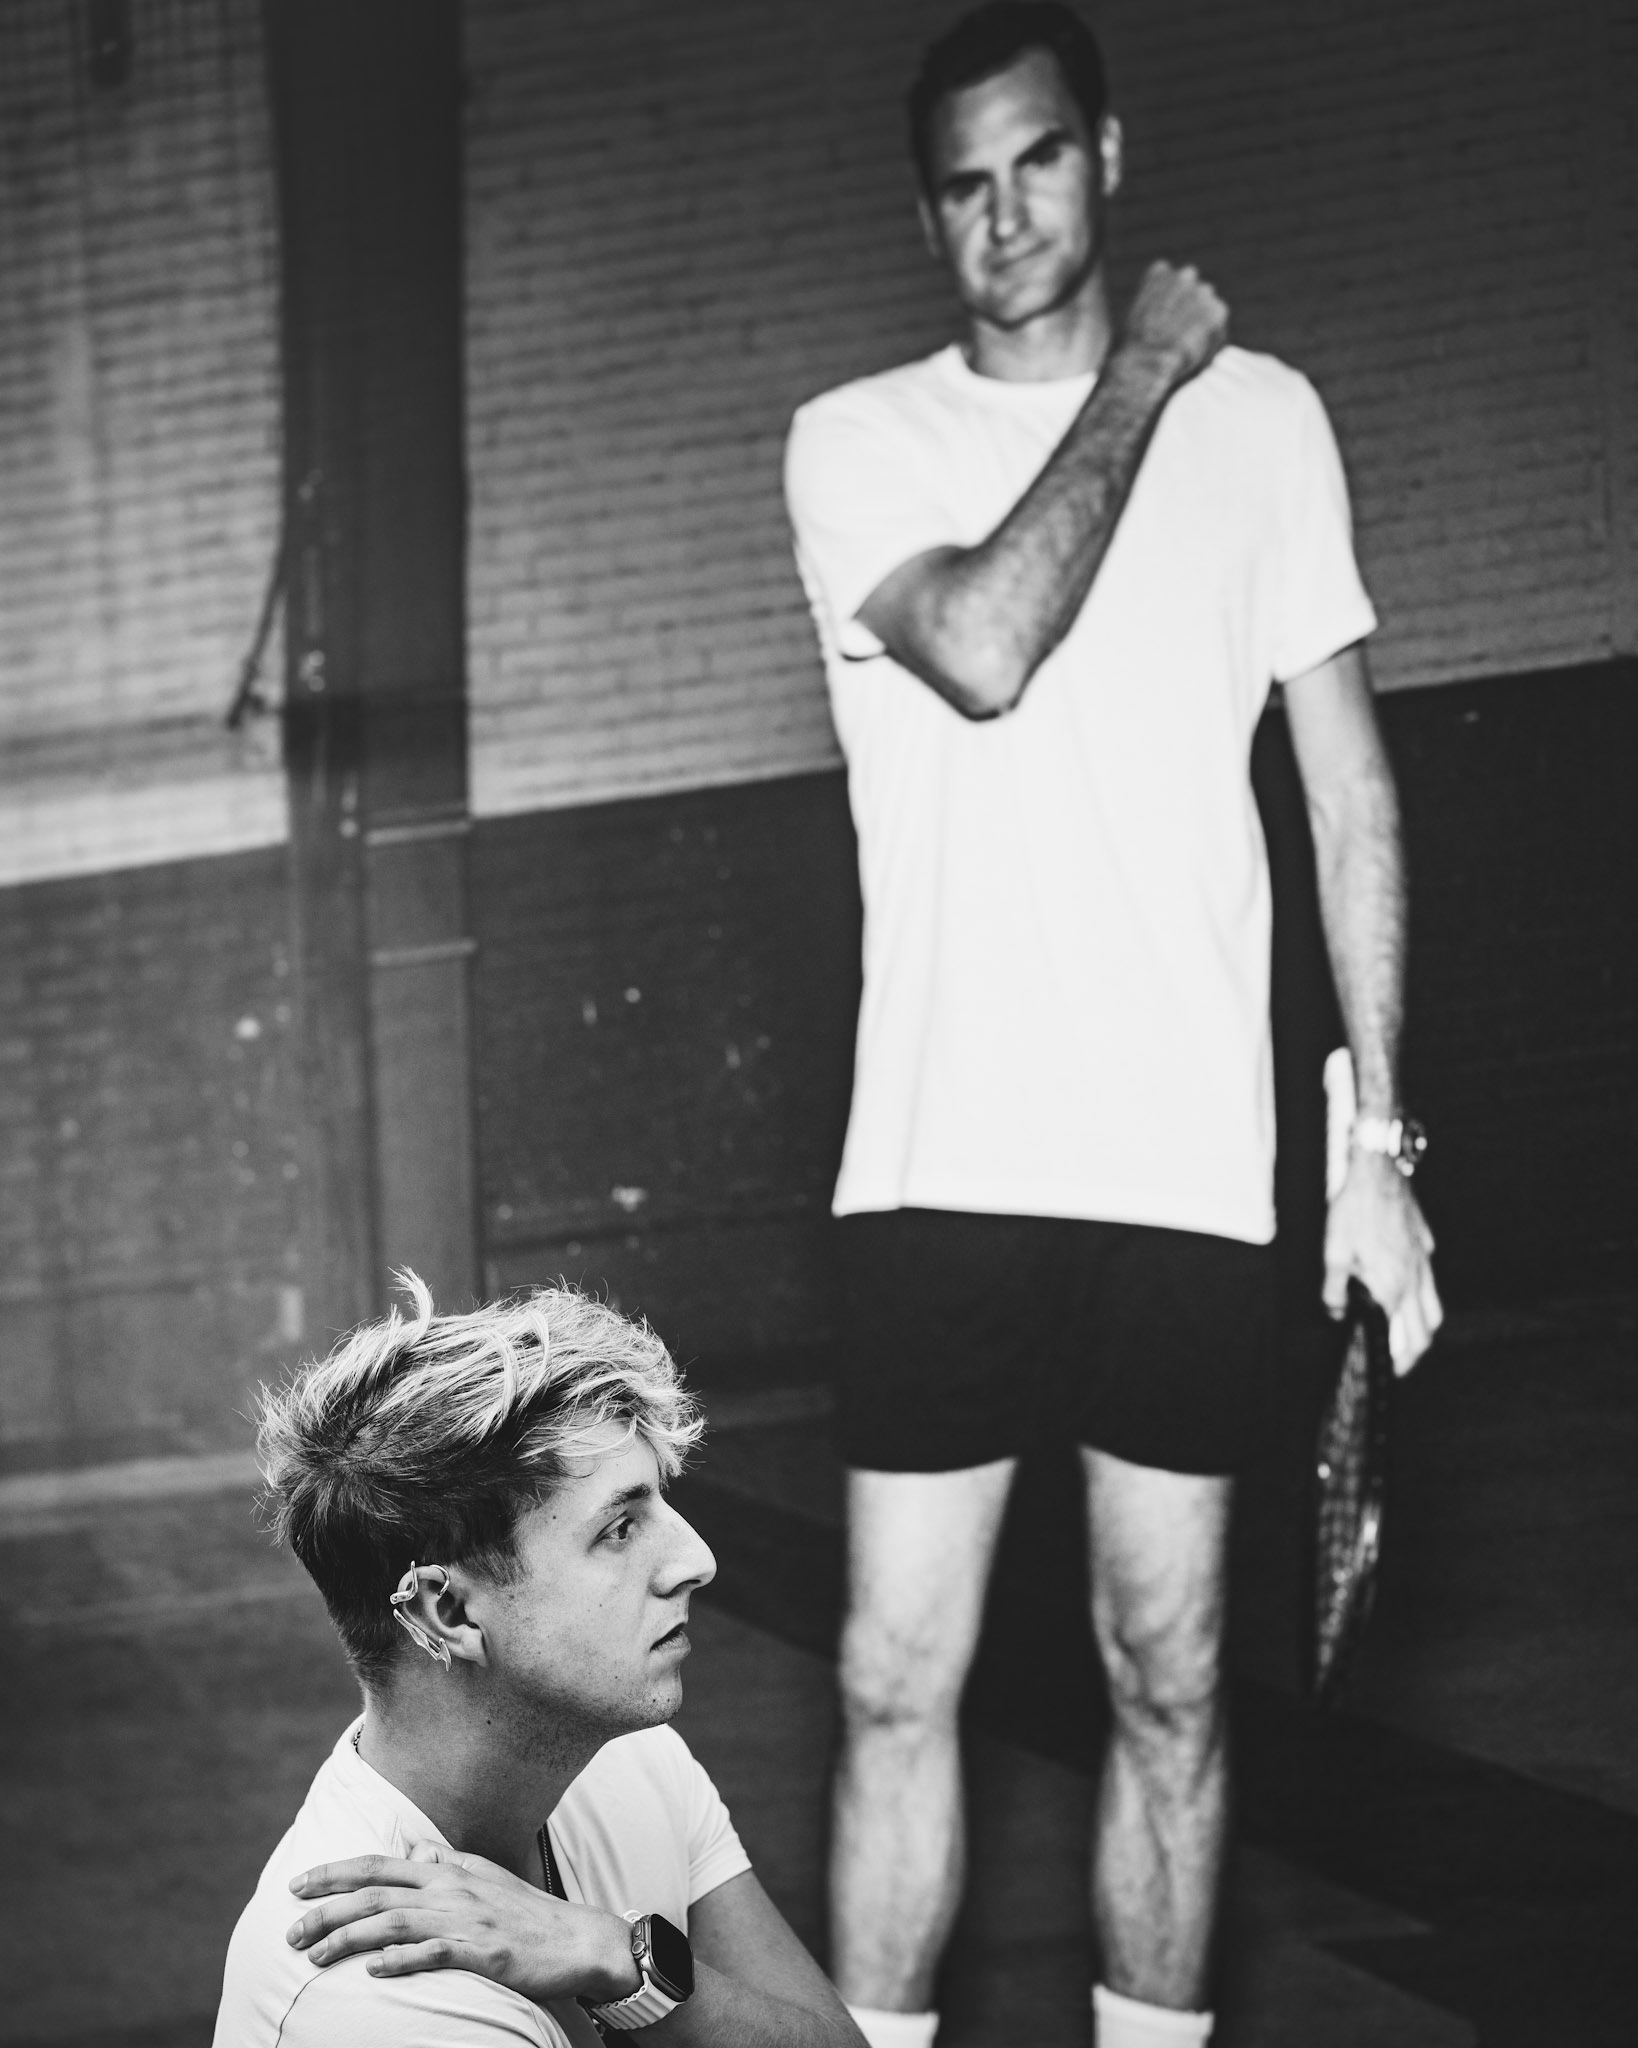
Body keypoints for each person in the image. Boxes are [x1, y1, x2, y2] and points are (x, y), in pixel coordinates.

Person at [780, 6, 1443, 2046]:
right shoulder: (858, 440)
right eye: (966, 185)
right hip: (936, 1167)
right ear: (928, 216)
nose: (1007, 213)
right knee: (900, 1678)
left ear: (1109, 150)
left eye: (1039, 160)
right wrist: (1147, 367)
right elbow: (980, 645)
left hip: (1180, 1167)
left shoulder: (1276, 428)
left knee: (1171, 1678)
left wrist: (1379, 1149)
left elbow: (1350, 797)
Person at [214, 1274, 864, 2048]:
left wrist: (615, 1957)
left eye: (660, 1503)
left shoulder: (630, 1761)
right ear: (447, 1612)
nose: (696, 1559)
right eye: (618, 1529)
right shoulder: (377, 1993)